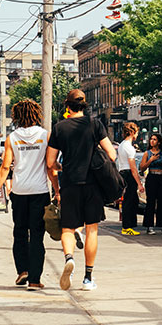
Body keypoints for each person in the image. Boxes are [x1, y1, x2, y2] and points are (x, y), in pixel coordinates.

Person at [46, 89, 117, 292]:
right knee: (91, 228)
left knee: (68, 228)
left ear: (67, 106)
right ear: (84, 105)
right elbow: (112, 154)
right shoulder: (95, 124)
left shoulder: (59, 128)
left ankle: (69, 258)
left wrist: (63, 167)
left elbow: (51, 162)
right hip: (92, 183)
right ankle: (88, 277)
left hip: (69, 183)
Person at [0, 100, 57, 290]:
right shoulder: (45, 136)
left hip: (19, 191)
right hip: (40, 191)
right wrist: (58, 190)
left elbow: (5, 167)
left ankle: (23, 271)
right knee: (37, 235)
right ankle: (35, 280)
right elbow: (50, 166)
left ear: (17, 116)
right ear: (37, 114)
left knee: (20, 232)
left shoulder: (12, 138)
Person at [139, 133, 162, 235]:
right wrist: (150, 160)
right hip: (151, 177)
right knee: (150, 202)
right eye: (151, 139)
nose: (152, 141)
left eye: (154, 139)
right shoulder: (147, 153)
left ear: (158, 142)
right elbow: (142, 168)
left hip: (161, 177)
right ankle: (149, 226)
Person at [117, 122, 144, 236]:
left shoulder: (122, 145)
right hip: (129, 174)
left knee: (129, 200)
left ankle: (127, 226)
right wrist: (139, 183)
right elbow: (133, 168)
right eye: (137, 132)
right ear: (133, 132)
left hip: (123, 172)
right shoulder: (129, 148)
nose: (137, 135)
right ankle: (128, 226)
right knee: (130, 201)